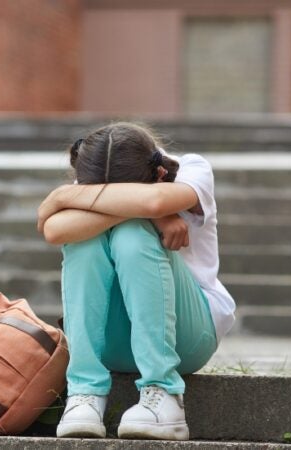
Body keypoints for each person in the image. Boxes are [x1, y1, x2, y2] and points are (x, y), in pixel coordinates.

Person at [37, 122, 236, 440]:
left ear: (158, 176)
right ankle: (84, 393)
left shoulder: (191, 169)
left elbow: (155, 203)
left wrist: (64, 197)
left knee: (132, 233)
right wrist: (146, 210)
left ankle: (164, 392)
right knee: (82, 241)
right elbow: (55, 231)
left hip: (188, 336)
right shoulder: (98, 173)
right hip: (115, 342)